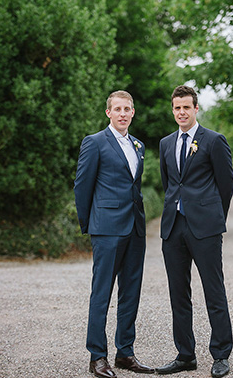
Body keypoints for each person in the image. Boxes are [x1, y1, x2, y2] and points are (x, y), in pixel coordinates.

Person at [74, 90, 154, 378]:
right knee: (102, 293)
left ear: (133, 113)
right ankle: (97, 356)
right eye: (117, 109)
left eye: (127, 109)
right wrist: (90, 225)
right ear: (108, 112)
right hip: (106, 229)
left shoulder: (138, 145)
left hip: (135, 227)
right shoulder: (94, 143)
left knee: (130, 292)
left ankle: (125, 353)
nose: (122, 113)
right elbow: (82, 188)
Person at [156, 85, 233, 378]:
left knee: (214, 292)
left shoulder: (213, 141)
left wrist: (213, 218)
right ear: (173, 109)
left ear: (196, 109)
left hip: (205, 228)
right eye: (177, 108)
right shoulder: (165, 144)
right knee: (179, 294)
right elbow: (169, 184)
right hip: (173, 228)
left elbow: (226, 185)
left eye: (186, 107)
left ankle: (221, 354)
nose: (181, 112)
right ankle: (185, 355)